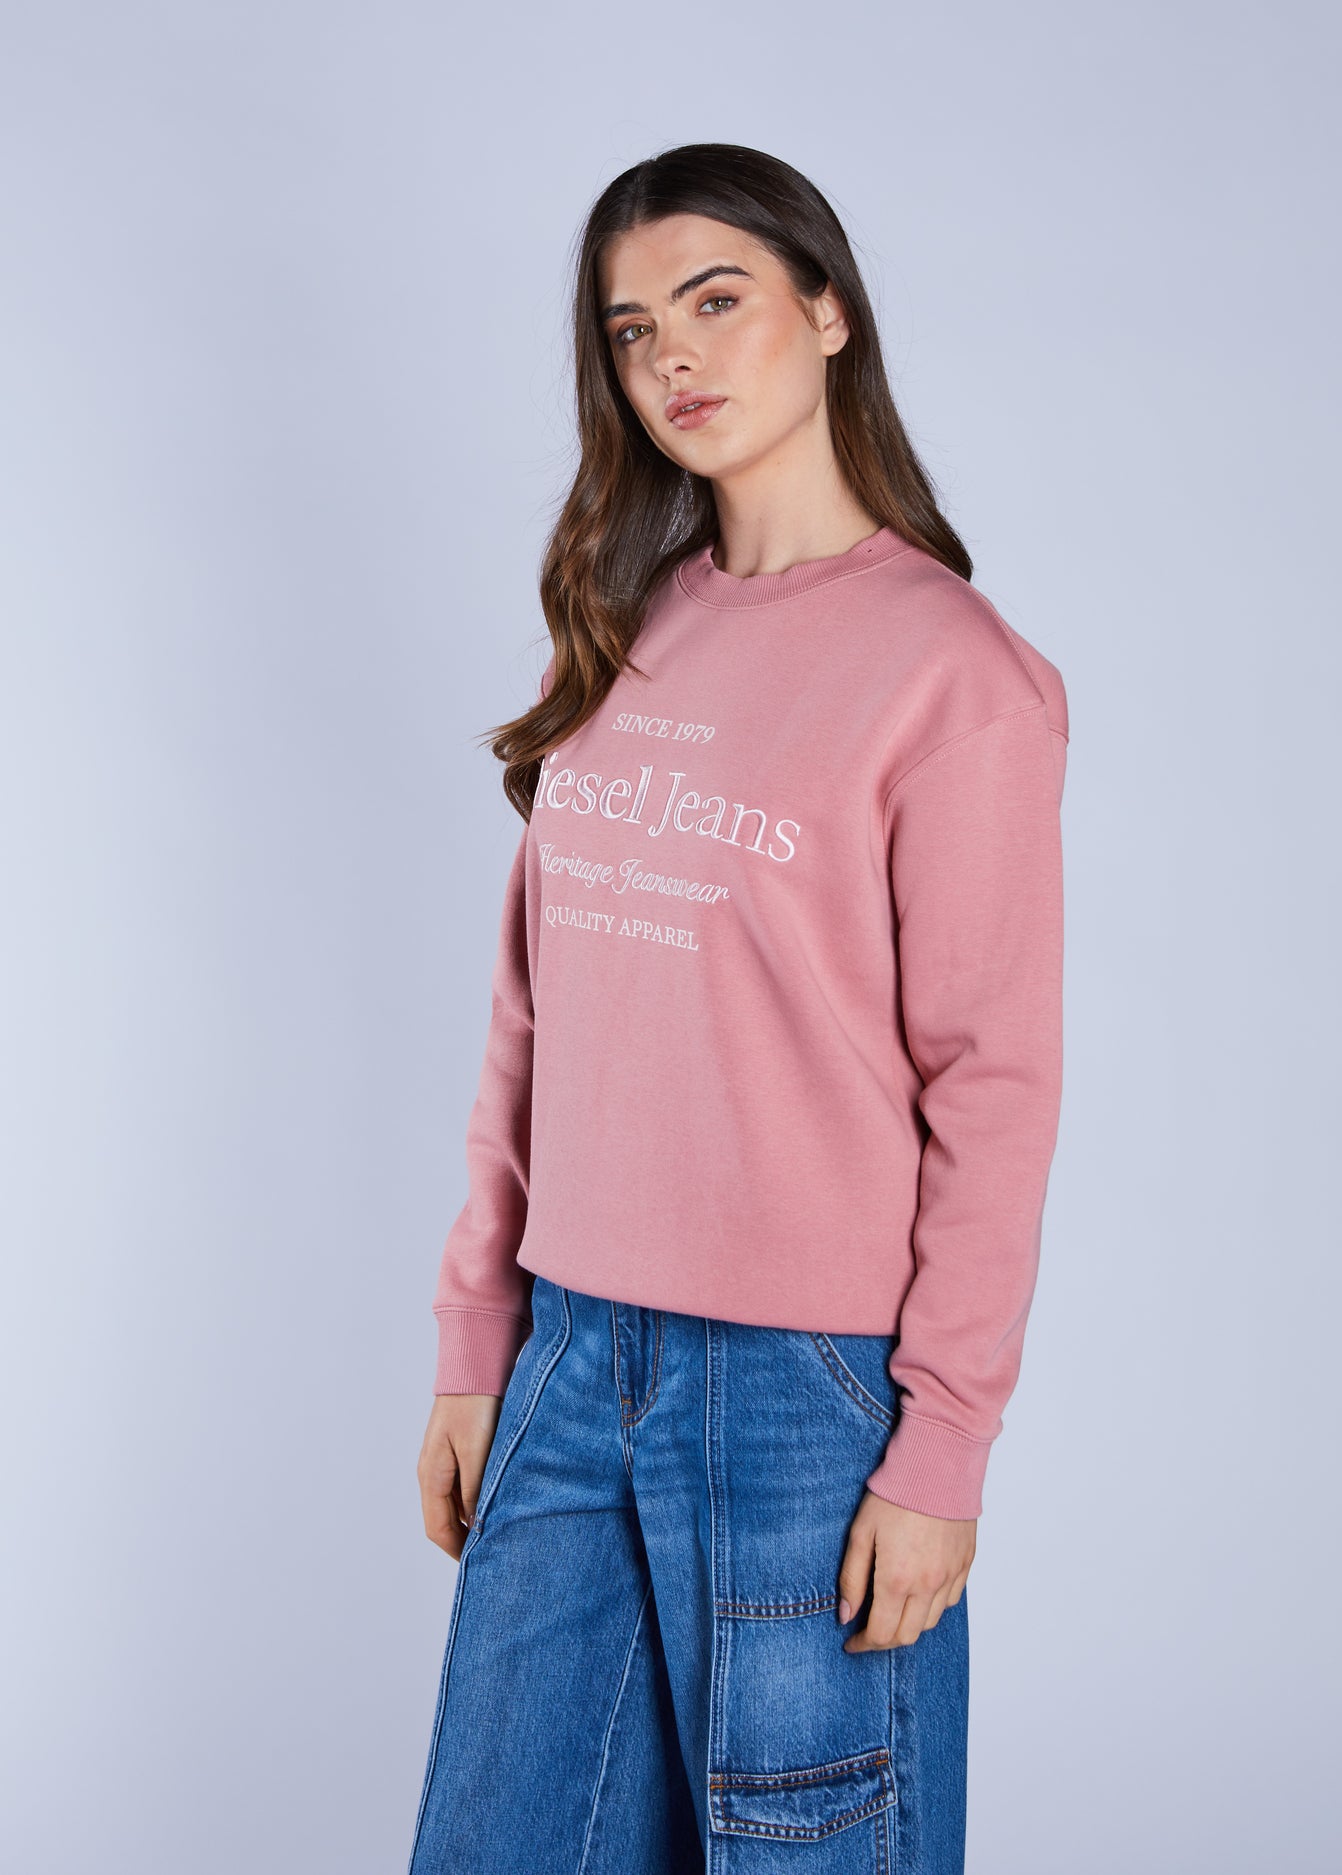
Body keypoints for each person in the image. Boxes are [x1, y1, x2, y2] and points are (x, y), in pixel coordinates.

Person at [406, 142, 1069, 1874]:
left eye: (717, 302)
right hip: (569, 1362)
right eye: (634, 331)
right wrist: (481, 1336)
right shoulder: (618, 634)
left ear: (829, 311)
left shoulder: (955, 675)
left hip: (805, 1396)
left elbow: (992, 1085)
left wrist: (944, 1447)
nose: (675, 358)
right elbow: (530, 1018)